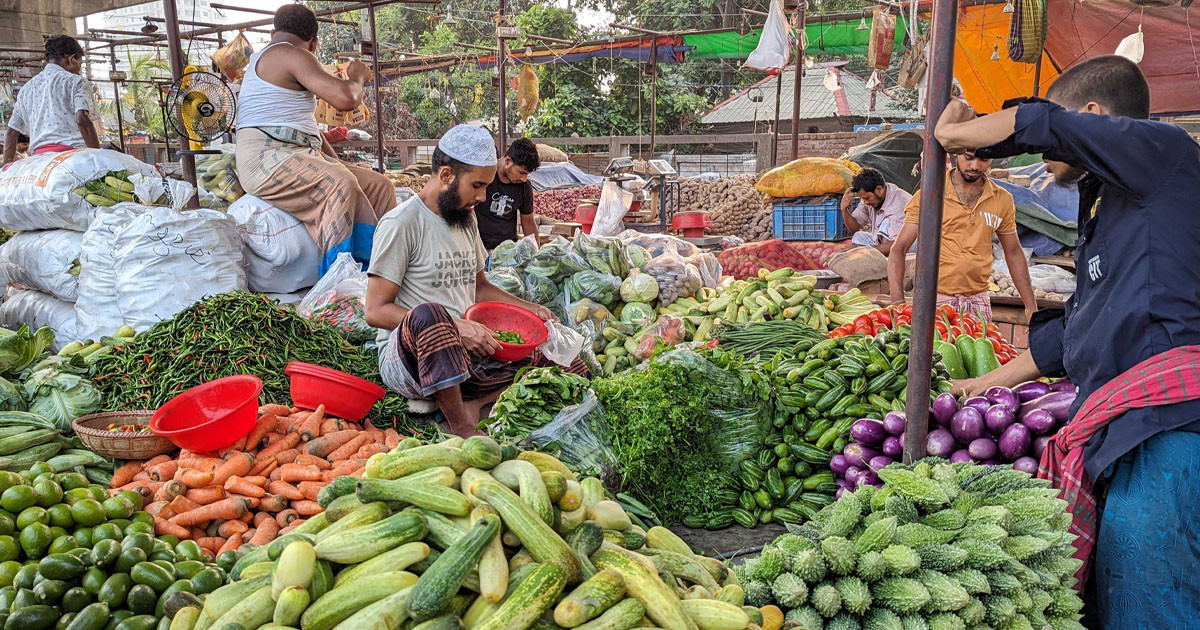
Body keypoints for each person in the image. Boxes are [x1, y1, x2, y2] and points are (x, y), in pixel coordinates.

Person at [940, 55, 1200, 629]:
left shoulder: (1167, 153)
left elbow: (1043, 126)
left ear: (1090, 116)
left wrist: (954, 131)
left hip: (1172, 431)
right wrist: (980, 385)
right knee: (1126, 601)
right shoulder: (1111, 200)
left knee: (1157, 607)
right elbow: (1080, 332)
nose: (1042, 155)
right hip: (1130, 433)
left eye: (1061, 125)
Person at [365, 125, 587, 438]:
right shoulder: (402, 223)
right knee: (431, 315)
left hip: (463, 352)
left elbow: (480, 286)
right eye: (477, 186)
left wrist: (532, 308)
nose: (482, 197)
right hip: (410, 358)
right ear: (445, 176)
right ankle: (462, 426)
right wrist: (455, 326)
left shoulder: (465, 220)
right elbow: (375, 311)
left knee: (555, 355)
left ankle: (473, 402)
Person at [234, 4, 394, 274]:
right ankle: (339, 282)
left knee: (380, 186)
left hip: (296, 153)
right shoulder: (291, 53)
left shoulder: (271, 59)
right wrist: (357, 75)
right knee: (340, 184)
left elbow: (311, 132)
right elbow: (347, 99)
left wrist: (335, 162)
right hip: (266, 159)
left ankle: (386, 269)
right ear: (314, 44)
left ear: (274, 31)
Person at [886, 150, 1036, 322]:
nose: (975, 166)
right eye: (969, 158)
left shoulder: (1002, 199)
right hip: (934, 303)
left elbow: (1014, 252)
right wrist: (898, 303)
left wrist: (1030, 306)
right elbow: (899, 248)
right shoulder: (930, 195)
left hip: (978, 303)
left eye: (983, 159)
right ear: (956, 153)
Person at [2, 36, 99, 167]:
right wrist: (98, 156)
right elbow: (82, 119)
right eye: (79, 64)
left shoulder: (26, 89)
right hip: (74, 158)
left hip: (40, 163)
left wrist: (7, 165)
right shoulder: (76, 82)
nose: (79, 69)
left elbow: (11, 132)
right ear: (71, 59)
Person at [474, 137, 540, 251]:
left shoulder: (524, 187)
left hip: (508, 249)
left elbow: (528, 220)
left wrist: (536, 252)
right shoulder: (485, 176)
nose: (524, 179)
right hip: (480, 248)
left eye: (527, 175)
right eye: (521, 173)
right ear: (508, 161)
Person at [840, 167, 912, 255]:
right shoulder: (871, 196)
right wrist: (844, 209)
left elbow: (897, 245)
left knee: (885, 223)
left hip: (907, 247)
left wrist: (862, 250)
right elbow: (854, 228)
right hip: (882, 243)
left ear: (879, 189)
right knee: (858, 236)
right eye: (863, 198)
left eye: (867, 198)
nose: (865, 202)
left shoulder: (898, 205)